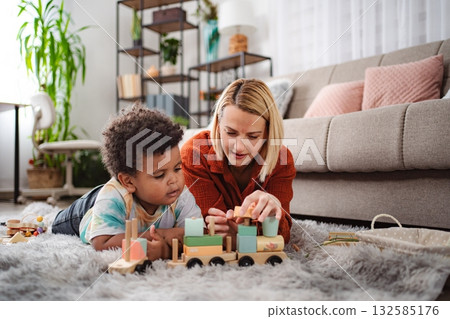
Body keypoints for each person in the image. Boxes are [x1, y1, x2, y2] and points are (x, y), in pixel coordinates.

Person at [52, 104, 202, 261]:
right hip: (87, 210)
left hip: (126, 199)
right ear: (129, 181)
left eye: (177, 168)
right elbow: (102, 242)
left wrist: (166, 250)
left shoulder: (180, 193)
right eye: (159, 175)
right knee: (57, 225)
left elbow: (197, 234)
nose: (174, 180)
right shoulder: (112, 197)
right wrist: (162, 235)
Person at [181, 78, 296, 247]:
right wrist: (254, 230)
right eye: (231, 133)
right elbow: (207, 228)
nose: (240, 147)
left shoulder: (282, 160)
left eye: (252, 136)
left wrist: (272, 212)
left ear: (267, 133)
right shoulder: (195, 154)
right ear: (219, 126)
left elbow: (282, 235)